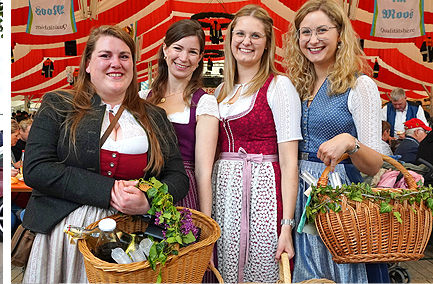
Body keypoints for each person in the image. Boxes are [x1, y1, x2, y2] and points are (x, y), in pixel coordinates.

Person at [21, 25, 188, 283]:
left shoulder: (154, 116)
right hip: (69, 233)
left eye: (124, 56)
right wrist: (108, 191)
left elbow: (176, 175)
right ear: (88, 64)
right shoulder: (59, 104)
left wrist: (149, 200)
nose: (116, 63)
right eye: (105, 55)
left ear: (133, 64)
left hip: (135, 237)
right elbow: (36, 168)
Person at [283, 1, 394, 282]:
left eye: (322, 30)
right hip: (298, 192)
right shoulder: (294, 85)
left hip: (341, 197)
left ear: (340, 34)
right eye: (305, 32)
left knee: (342, 270)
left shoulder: (360, 85)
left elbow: (374, 165)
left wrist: (349, 142)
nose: (313, 39)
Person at [213, 5, 300, 282]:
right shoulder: (220, 91)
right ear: (230, 39)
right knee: (227, 270)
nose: (246, 42)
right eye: (240, 34)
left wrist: (286, 226)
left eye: (255, 36)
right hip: (225, 198)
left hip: (263, 194)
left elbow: (289, 162)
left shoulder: (279, 86)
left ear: (267, 44)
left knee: (261, 270)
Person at [140, 19, 218, 216]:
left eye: (192, 52)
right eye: (178, 48)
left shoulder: (204, 103)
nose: (184, 57)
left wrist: (206, 221)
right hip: (144, 191)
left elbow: (203, 172)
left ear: (200, 57)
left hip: (183, 192)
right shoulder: (143, 98)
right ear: (165, 49)